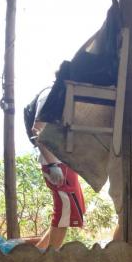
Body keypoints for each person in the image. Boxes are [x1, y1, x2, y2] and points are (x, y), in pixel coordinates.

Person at [31, 89, 86, 250]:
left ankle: (39, 255)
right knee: (63, 217)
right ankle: (49, 259)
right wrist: (53, 164)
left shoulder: (63, 95)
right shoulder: (51, 95)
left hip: (64, 162)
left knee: (67, 214)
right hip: (56, 162)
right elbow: (37, 129)